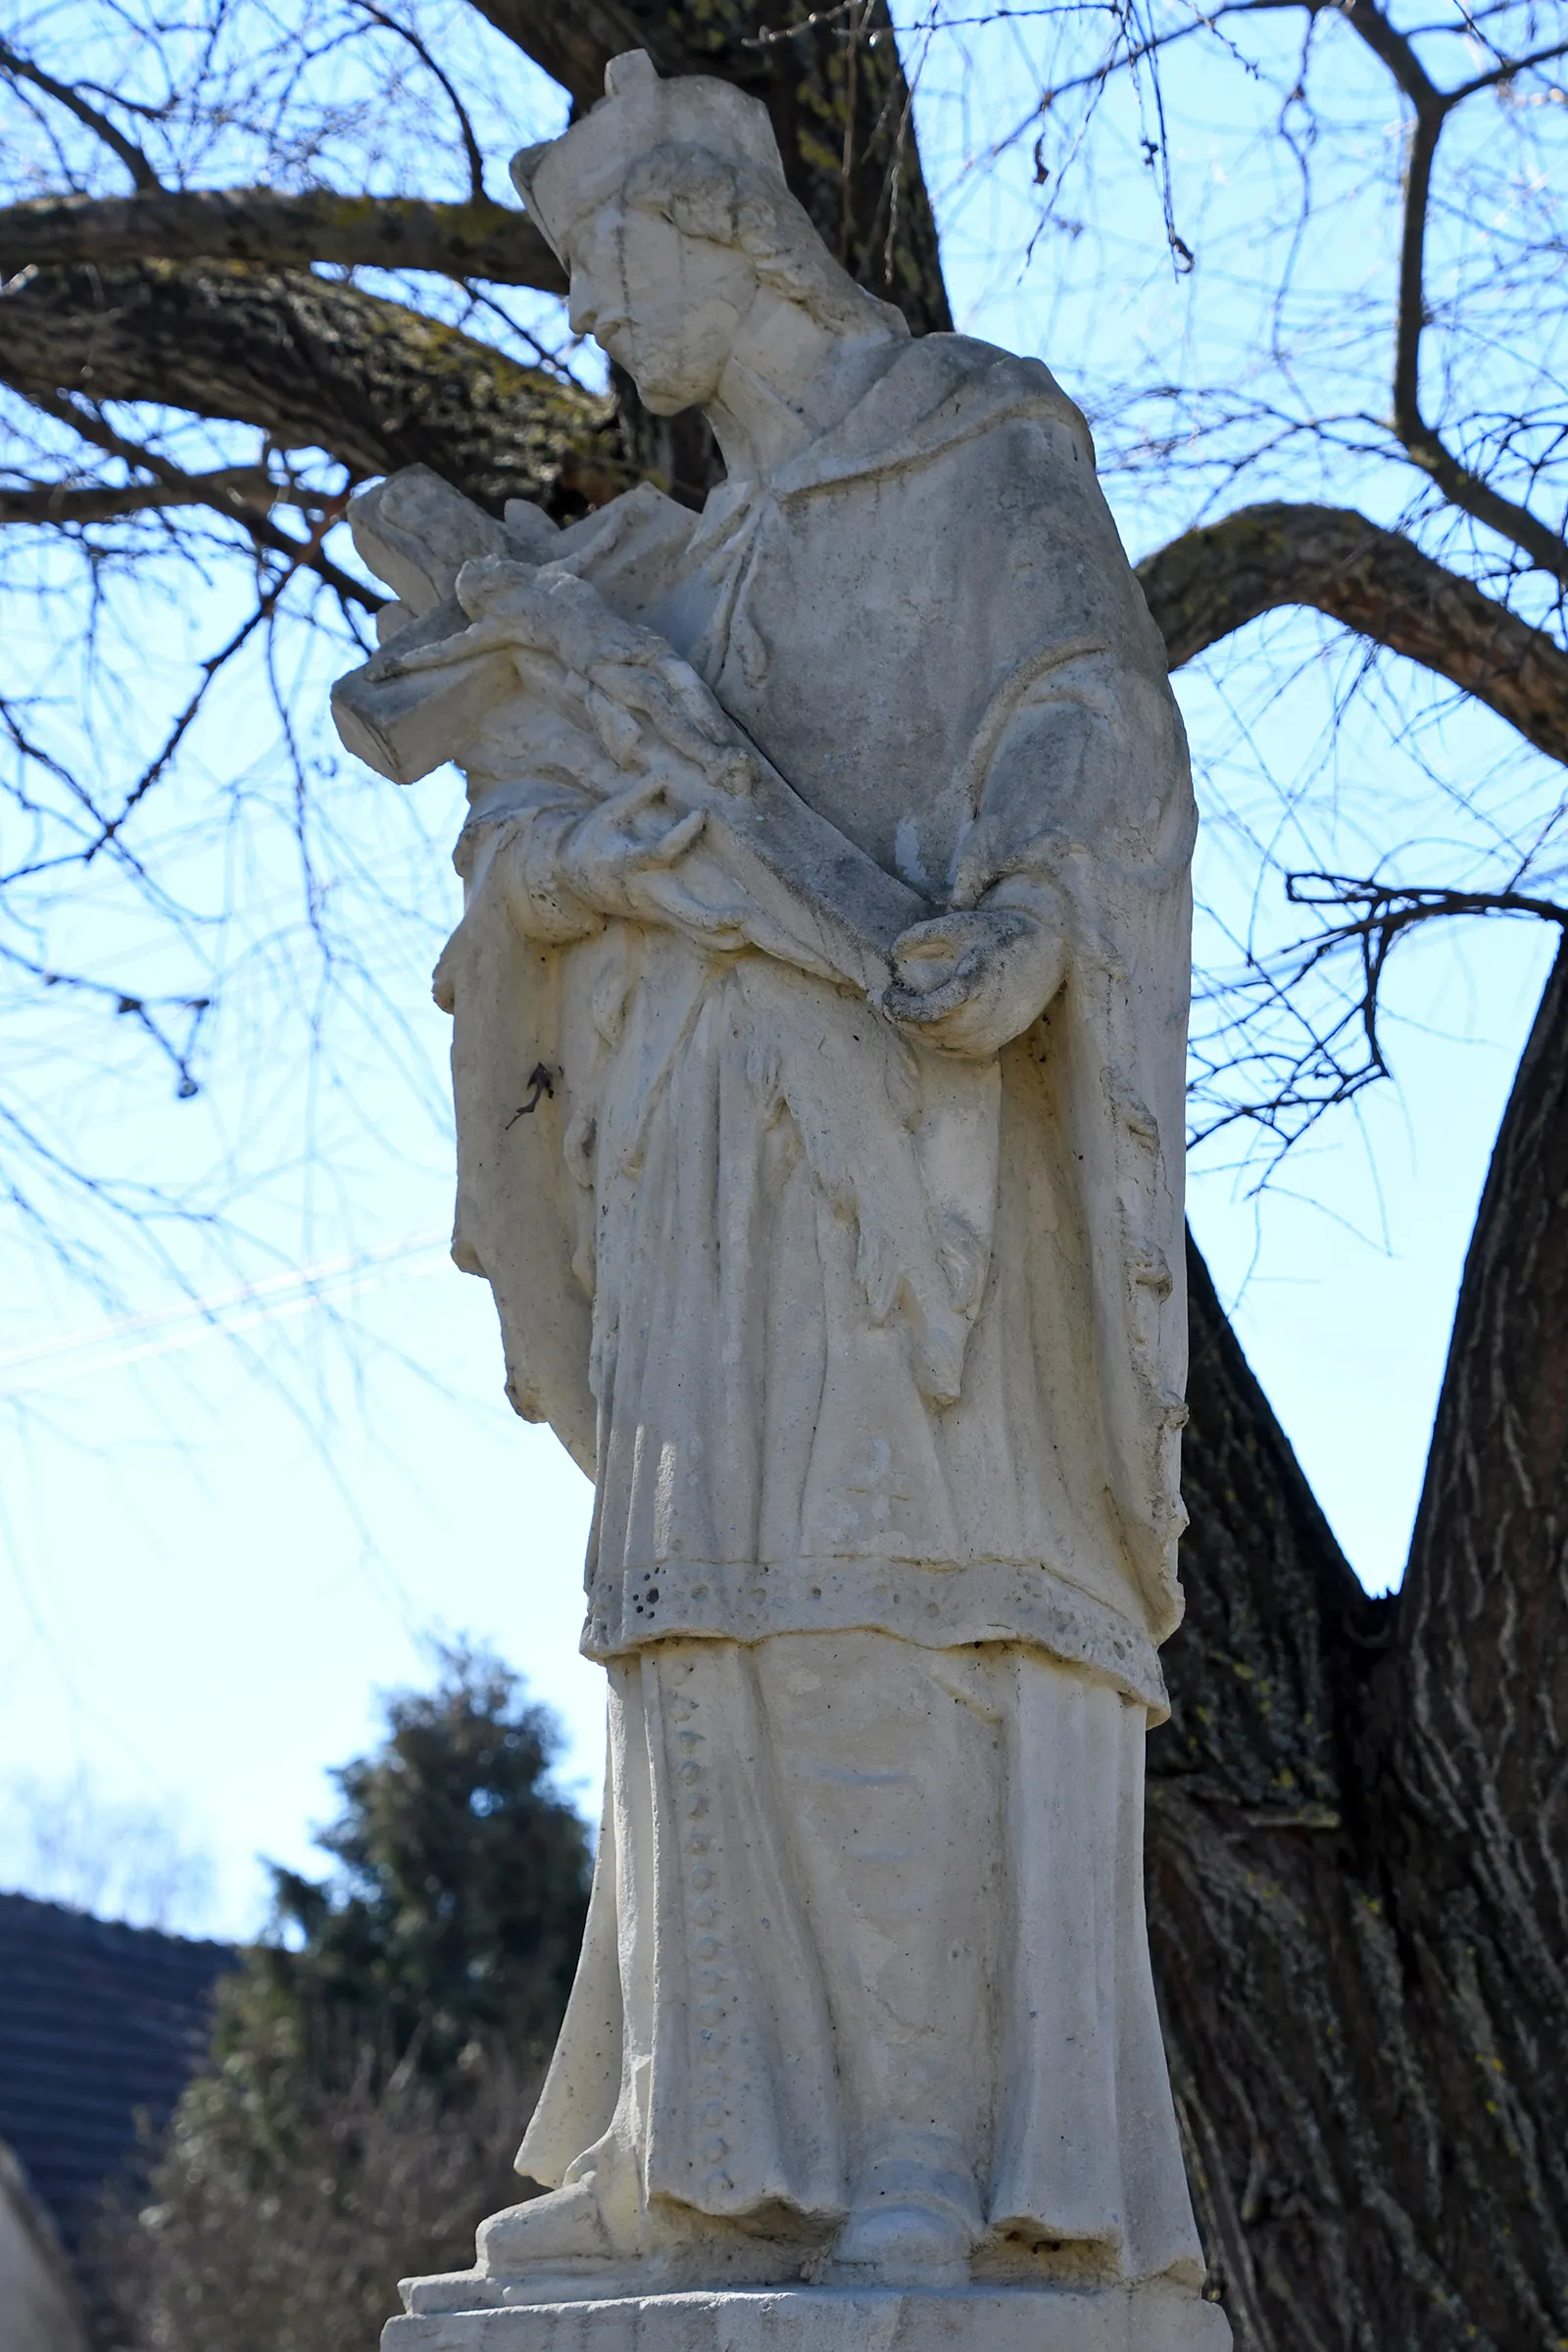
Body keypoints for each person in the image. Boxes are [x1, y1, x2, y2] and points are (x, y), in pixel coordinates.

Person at [396, 49, 1202, 2307]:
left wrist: (1029, 918)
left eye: (604, 265)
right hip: (687, 1148)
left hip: (915, 1142)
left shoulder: (972, 448)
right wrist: (553, 877)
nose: (593, 323)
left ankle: (927, 2157)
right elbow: (530, 840)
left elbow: (1088, 716)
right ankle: (706, 2137)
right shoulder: (672, 568)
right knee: (698, 1620)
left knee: (890, 1603)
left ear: (710, 228)